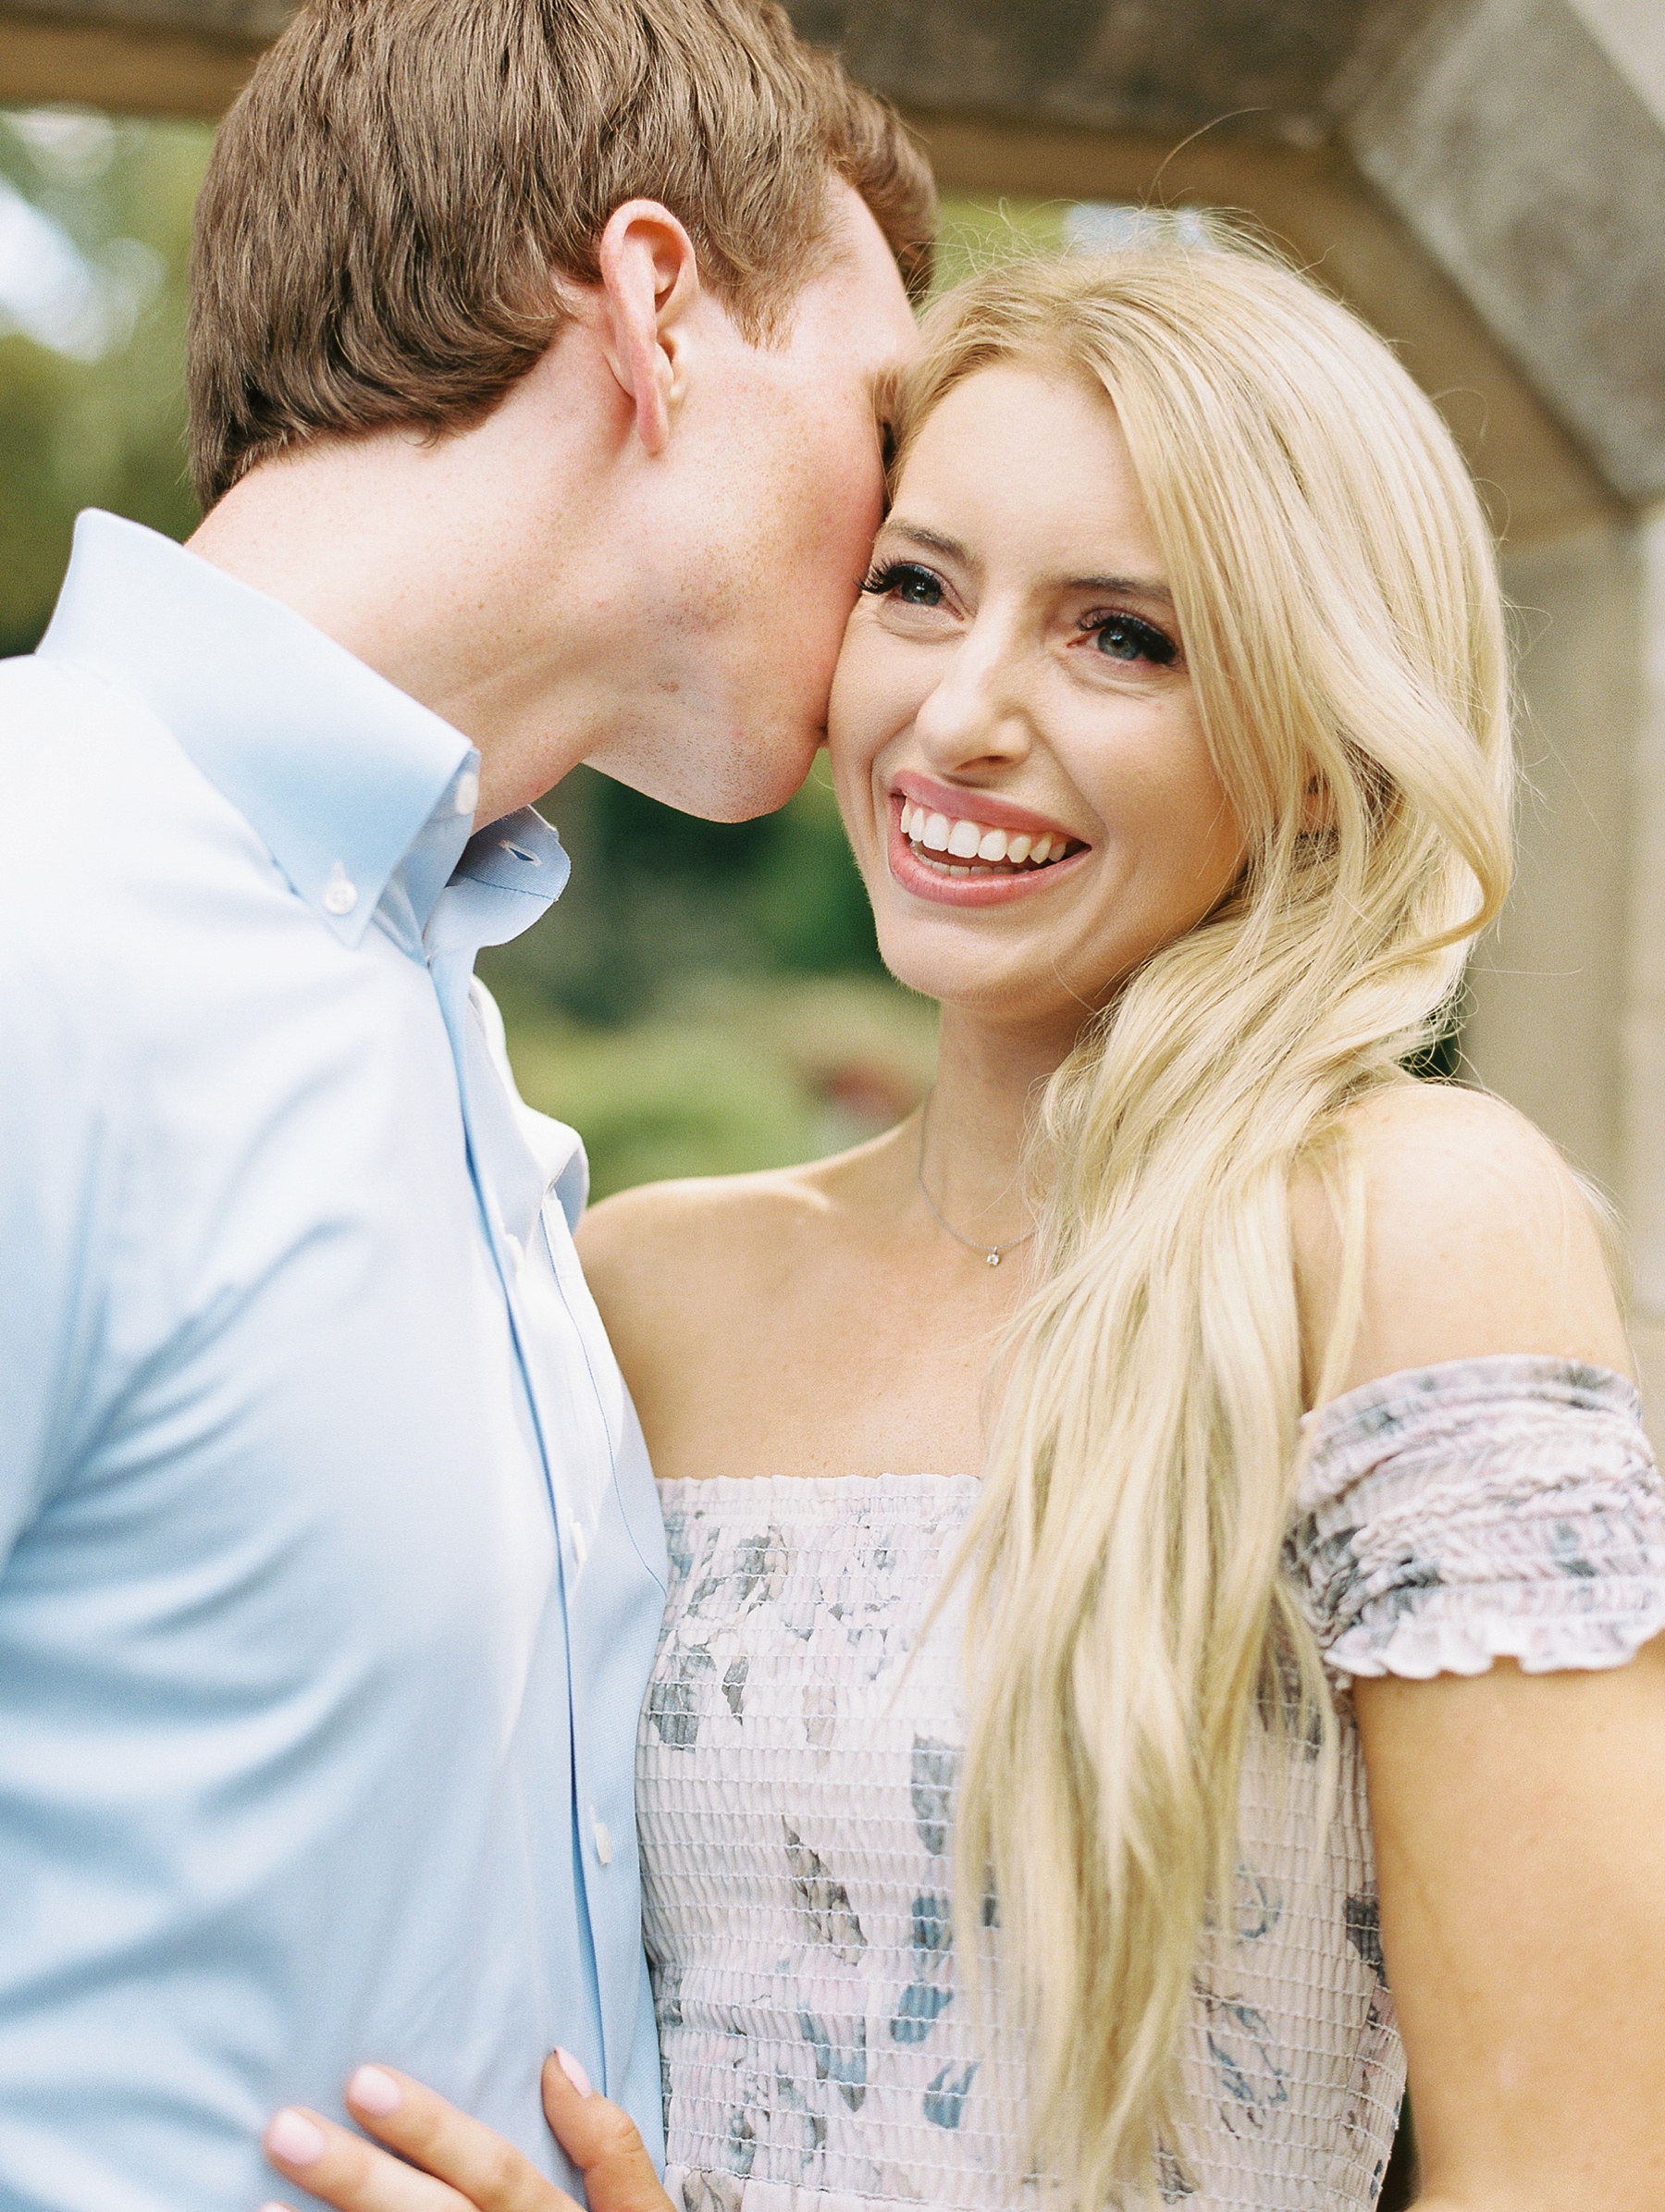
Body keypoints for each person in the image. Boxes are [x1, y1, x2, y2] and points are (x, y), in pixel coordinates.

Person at [271, 243, 1665, 2212]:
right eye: (916, 587)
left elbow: (1579, 2172)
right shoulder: (644, 1285)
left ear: (1314, 737)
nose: (964, 713)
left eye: (1126, 637)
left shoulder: (1398, 1225)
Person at [0, 0, 929, 2202]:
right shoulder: (41, 903)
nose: (915, 541)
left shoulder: (453, 1060)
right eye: (886, 424)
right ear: (656, 304)